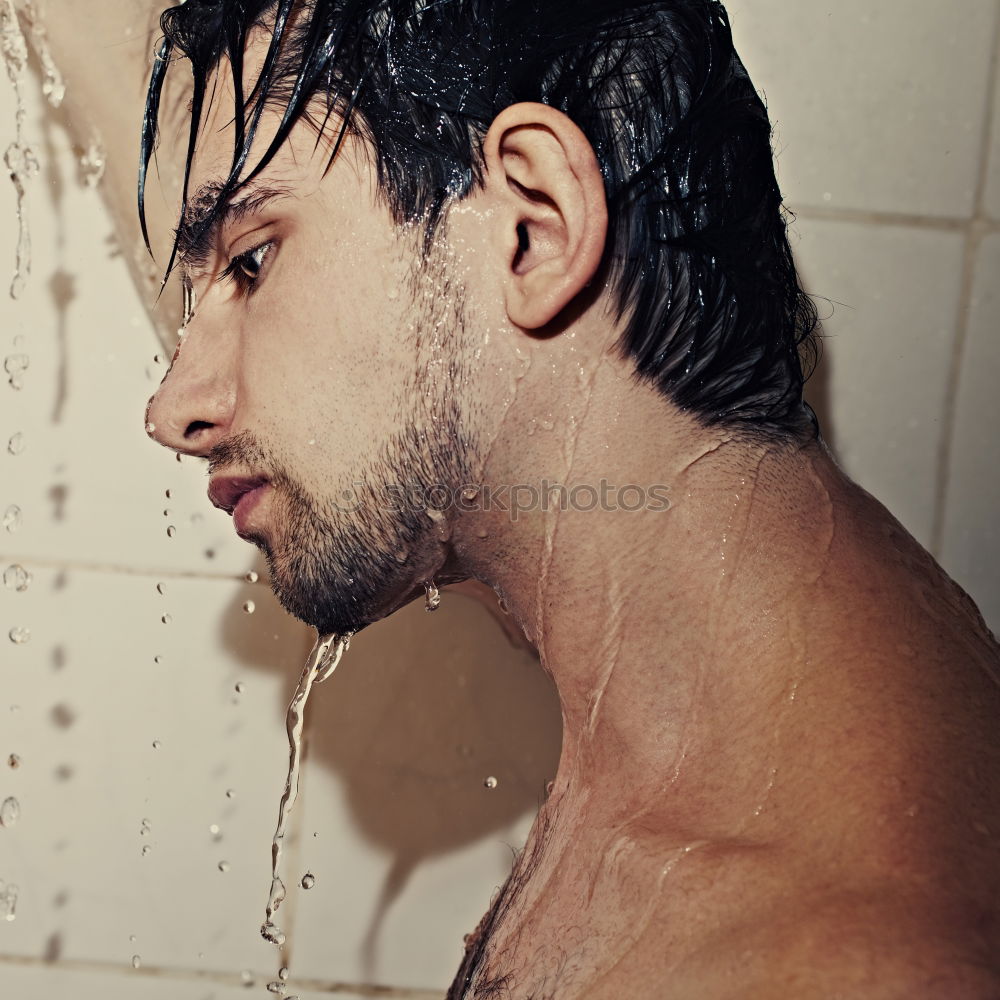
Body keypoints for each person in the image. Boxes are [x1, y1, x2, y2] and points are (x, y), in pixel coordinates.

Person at [141, 1, 1000, 996]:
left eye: (252, 260)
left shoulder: (858, 963)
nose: (174, 409)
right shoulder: (669, 733)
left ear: (534, 228)